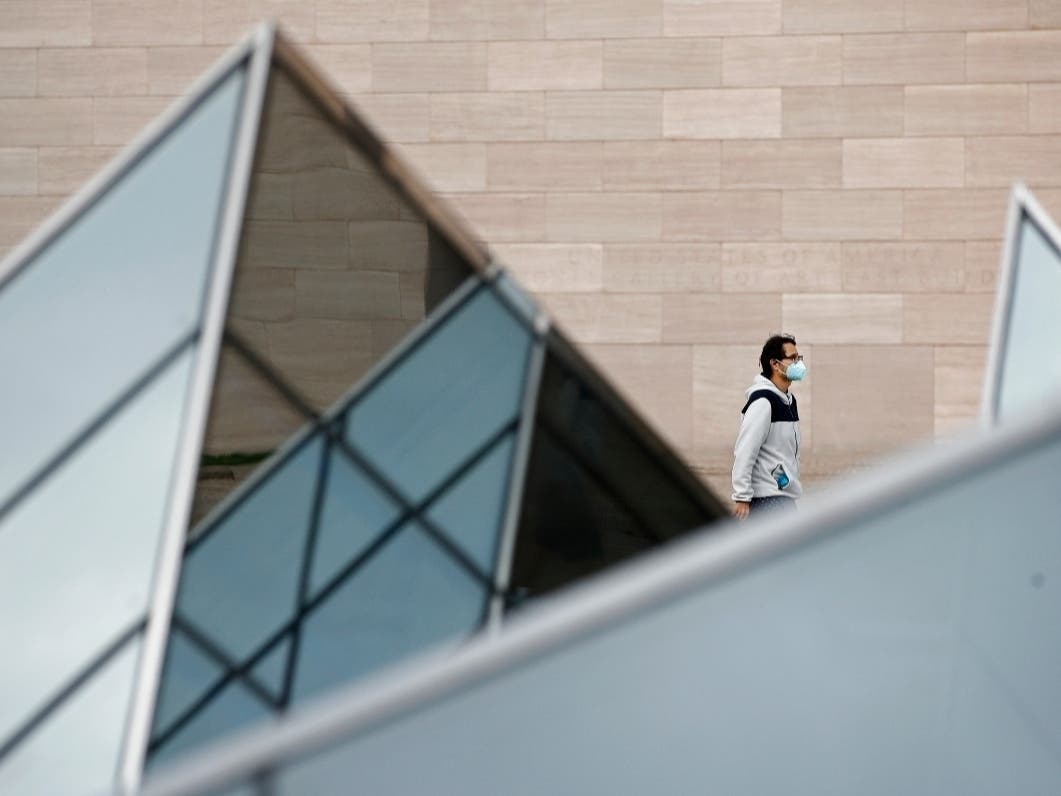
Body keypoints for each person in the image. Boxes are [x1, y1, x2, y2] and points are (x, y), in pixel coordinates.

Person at [731, 334, 805, 520]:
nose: (798, 363)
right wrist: (742, 496)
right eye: (793, 358)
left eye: (799, 358)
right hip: (768, 500)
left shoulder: (788, 400)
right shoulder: (764, 402)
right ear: (775, 364)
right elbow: (746, 449)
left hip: (783, 495)